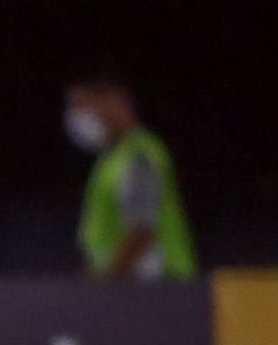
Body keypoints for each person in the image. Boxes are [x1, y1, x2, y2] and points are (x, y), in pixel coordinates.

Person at [63, 72, 196, 281]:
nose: (77, 118)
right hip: (130, 291)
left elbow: (141, 231)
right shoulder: (110, 159)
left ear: (117, 102)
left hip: (159, 290)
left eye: (84, 106)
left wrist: (105, 285)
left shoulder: (138, 156)